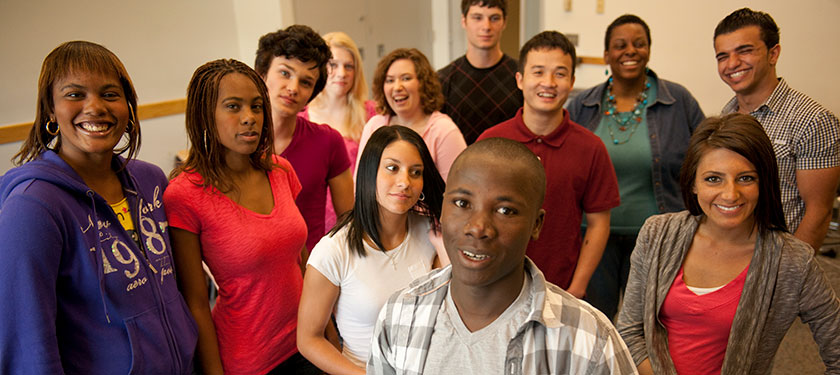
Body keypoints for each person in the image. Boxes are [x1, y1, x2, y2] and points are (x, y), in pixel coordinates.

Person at [0, 41, 197, 374]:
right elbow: (27, 343)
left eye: (109, 94)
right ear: (51, 110)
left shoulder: (150, 181)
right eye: (75, 95)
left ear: (129, 108)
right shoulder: (32, 206)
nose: (95, 107)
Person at [368, 137, 637, 374]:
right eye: (462, 203)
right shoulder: (401, 315)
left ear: (536, 224)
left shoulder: (587, 340)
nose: (478, 228)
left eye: (506, 211)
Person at [617, 114, 840, 375]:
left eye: (746, 178)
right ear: (693, 184)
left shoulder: (791, 261)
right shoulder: (658, 234)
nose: (730, 194)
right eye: (713, 178)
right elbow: (630, 331)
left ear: (763, 182)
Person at [164, 59, 318, 374]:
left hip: (305, 344)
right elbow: (195, 302)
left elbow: (301, 262)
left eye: (257, 107)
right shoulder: (184, 194)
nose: (249, 118)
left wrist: (325, 332)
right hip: (248, 360)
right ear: (206, 115)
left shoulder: (280, 170)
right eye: (233, 107)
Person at [566, 14, 705, 320]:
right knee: (593, 322)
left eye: (639, 44)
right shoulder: (582, 106)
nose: (630, 50)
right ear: (606, 55)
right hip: (592, 240)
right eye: (620, 45)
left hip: (657, 239)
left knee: (645, 326)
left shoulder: (677, 101)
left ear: (649, 50)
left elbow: (709, 158)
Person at [478, 31, 620, 297]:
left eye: (560, 73)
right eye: (538, 72)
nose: (549, 83)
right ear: (520, 79)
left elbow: (599, 223)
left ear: (572, 81)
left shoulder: (590, 148)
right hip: (495, 285)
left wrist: (577, 287)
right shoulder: (490, 141)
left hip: (561, 288)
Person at [297, 125, 445, 375]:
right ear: (369, 172)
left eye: (415, 172)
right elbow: (309, 339)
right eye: (392, 168)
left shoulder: (431, 233)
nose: (404, 182)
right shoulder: (333, 250)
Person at [714, 8, 840, 252]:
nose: (732, 64)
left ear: (774, 53)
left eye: (745, 51)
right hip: (732, 258)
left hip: (780, 261)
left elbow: (819, 212)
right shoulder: (725, 117)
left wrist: (788, 273)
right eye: (722, 56)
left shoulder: (813, 120)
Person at [256, 25, 354, 250]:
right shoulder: (236, 143)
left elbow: (349, 223)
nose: (293, 88)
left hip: (313, 273)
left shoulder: (328, 142)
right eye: (285, 73)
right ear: (262, 74)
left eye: (305, 82)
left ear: (313, 93)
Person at [300, 31, 377, 231]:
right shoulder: (301, 118)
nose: (342, 73)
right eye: (333, 65)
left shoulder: (372, 113)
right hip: (316, 222)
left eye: (348, 66)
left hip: (365, 216)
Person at [357, 48, 467, 182]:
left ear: (423, 84)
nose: (397, 87)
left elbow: (456, 190)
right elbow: (360, 184)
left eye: (406, 78)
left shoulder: (443, 130)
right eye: (390, 80)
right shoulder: (374, 126)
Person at [438, 0, 523, 144]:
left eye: (494, 18)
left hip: (511, 163)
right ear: (464, 21)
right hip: (459, 165)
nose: (486, 27)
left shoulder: (521, 77)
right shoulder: (442, 80)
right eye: (477, 18)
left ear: (504, 22)